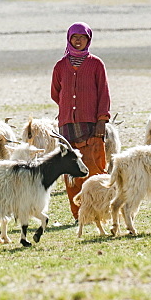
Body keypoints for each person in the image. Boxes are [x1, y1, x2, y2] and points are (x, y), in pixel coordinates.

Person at [50, 22, 111, 220]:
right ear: (69, 39)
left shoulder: (96, 64)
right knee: (71, 174)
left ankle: (99, 212)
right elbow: (55, 93)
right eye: (74, 37)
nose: (78, 40)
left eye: (82, 37)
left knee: (95, 169)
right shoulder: (60, 66)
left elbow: (103, 93)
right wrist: (69, 107)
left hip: (92, 126)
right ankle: (78, 214)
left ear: (88, 39)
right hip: (67, 127)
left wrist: (101, 120)